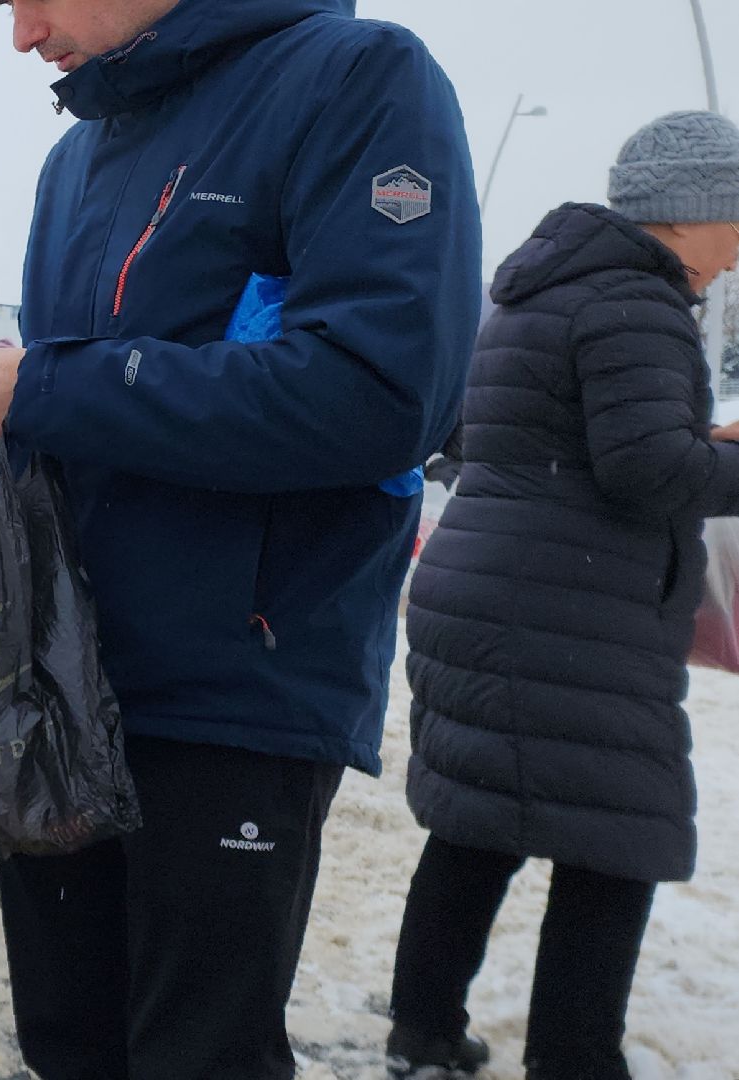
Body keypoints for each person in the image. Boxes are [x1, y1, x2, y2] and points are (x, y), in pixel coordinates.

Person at [0, 1, 480, 1075]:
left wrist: (44, 385)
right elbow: (93, 409)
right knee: (68, 1043)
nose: (21, 35)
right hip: (61, 673)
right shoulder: (78, 153)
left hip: (234, 684)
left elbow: (383, 393)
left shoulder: (355, 77)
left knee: (195, 1055)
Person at [388, 111, 739, 1080]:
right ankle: (574, 1060)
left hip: (497, 592)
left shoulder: (544, 290)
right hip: (565, 615)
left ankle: (420, 1034)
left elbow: (567, 441)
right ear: (693, 211)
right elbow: (643, 469)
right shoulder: (636, 300)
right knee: (615, 844)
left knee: (478, 823)